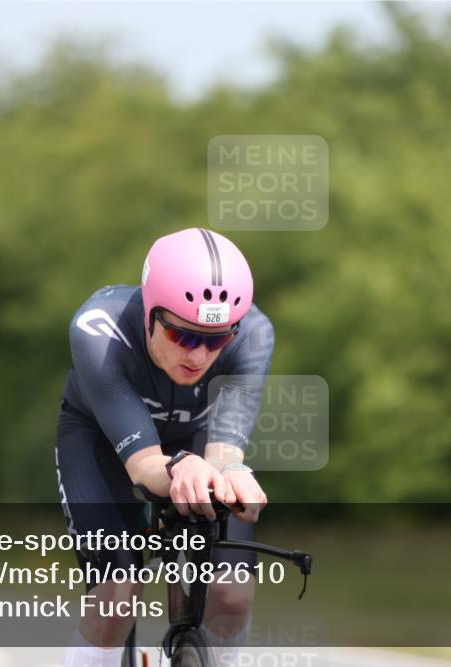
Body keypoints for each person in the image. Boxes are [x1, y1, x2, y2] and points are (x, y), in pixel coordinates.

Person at [56, 228, 275, 666]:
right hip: (104, 441)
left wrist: (230, 475)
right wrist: (180, 468)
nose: (198, 355)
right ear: (149, 314)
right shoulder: (98, 328)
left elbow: (225, 454)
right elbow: (145, 467)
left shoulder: (254, 333)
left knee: (231, 595)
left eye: (216, 339)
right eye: (183, 336)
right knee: (117, 597)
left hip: (194, 440)